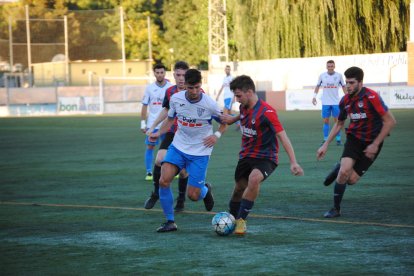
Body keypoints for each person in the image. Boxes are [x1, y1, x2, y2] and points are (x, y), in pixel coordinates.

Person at [220, 75, 304, 235]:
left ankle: (241, 221)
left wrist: (293, 162)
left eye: (238, 96)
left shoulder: (267, 112)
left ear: (249, 92)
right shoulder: (244, 107)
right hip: (246, 155)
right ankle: (231, 217)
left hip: (266, 157)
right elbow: (244, 115)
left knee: (254, 179)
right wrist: (232, 119)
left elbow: (282, 136)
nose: (237, 100)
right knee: (238, 188)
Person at [149, 68, 227, 232]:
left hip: (200, 152)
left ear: (201, 85)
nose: (194, 91)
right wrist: (158, 133)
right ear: (185, 86)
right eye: (191, 87)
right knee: (164, 180)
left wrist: (217, 135)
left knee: (193, 196)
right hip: (178, 147)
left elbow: (224, 122)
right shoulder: (176, 99)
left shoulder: (209, 104)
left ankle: (205, 190)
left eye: (197, 87)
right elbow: (170, 120)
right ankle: (170, 221)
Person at [317, 66, 396, 218]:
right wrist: (325, 144)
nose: (348, 86)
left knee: (351, 180)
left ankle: (340, 166)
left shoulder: (371, 97)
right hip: (354, 139)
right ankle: (336, 209)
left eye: (352, 83)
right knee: (344, 173)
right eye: (346, 82)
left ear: (360, 83)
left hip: (373, 142)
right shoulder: (345, 100)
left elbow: (390, 121)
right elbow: (339, 123)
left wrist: (375, 144)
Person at [143, 61, 190, 212]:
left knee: (183, 171)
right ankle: (156, 193)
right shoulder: (170, 91)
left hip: (187, 136)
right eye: (178, 75)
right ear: (174, 75)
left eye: (184, 75)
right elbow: (165, 110)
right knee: (159, 160)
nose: (181, 78)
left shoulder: (195, 91)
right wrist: (152, 126)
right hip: (171, 132)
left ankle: (181, 199)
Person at [141, 63, 172, 181]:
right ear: (154, 73)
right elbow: (144, 106)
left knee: (169, 148)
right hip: (152, 125)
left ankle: (171, 171)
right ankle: (149, 172)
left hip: (167, 124)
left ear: (165, 73)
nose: (159, 75)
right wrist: (143, 124)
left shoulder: (170, 87)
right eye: (157, 72)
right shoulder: (149, 88)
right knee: (150, 147)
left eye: (161, 72)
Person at [312, 60, 346, 145]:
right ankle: (325, 139)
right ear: (326, 67)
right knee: (326, 121)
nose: (330, 67)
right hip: (325, 102)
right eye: (329, 66)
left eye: (332, 66)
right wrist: (314, 97)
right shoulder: (322, 76)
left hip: (336, 102)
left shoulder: (339, 76)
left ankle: (338, 140)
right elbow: (317, 86)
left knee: (337, 121)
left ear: (334, 66)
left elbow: (344, 86)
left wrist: (347, 97)